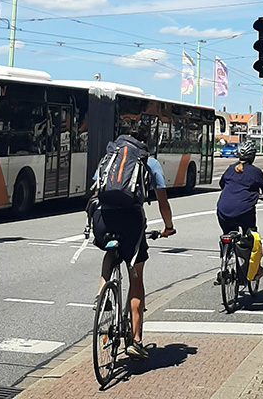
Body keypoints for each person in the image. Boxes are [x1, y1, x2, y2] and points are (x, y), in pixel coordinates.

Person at [91, 124, 175, 361]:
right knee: (135, 275)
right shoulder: (149, 161)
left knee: (110, 249)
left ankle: (102, 292)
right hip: (131, 221)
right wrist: (168, 227)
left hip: (103, 218)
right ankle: (136, 341)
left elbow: (96, 187)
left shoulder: (112, 156)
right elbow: (163, 203)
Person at [216, 141, 263, 281]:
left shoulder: (231, 169)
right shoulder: (255, 172)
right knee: (251, 237)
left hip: (223, 210)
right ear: (253, 156)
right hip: (244, 211)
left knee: (227, 236)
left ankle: (224, 264)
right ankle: (252, 270)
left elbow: (222, 185)